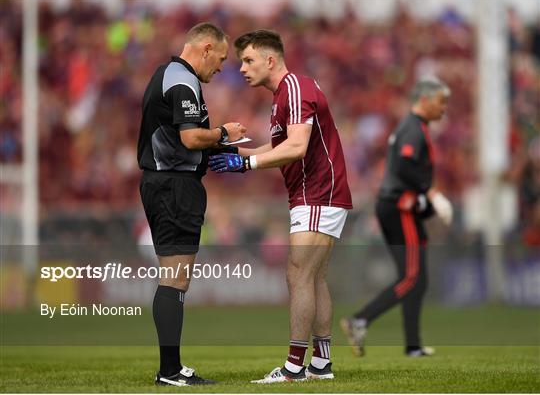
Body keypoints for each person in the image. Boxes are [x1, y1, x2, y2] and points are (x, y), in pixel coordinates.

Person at [209, 30, 353, 383]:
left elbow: (296, 148)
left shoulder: (294, 88)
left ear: (270, 60)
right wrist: (236, 153)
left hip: (318, 193)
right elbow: (275, 148)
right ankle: (321, 364)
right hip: (319, 194)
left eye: (248, 60)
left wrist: (246, 166)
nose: (242, 68)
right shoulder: (284, 94)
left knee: (298, 273)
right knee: (314, 277)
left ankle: (293, 369)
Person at [137, 22, 246, 386]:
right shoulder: (182, 80)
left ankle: (171, 367)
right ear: (205, 48)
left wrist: (217, 146)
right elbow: (190, 136)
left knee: (174, 276)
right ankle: (169, 370)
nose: (222, 66)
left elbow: (181, 136)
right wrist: (223, 134)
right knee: (175, 277)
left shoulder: (168, 75)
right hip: (173, 186)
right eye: (221, 58)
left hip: (167, 183)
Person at [340, 77, 453, 358]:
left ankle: (413, 345)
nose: (444, 109)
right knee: (412, 278)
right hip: (400, 207)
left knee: (418, 278)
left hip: (399, 206)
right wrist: (432, 195)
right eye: (441, 103)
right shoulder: (414, 128)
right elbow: (404, 166)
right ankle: (360, 320)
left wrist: (426, 203)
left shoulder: (412, 127)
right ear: (424, 100)